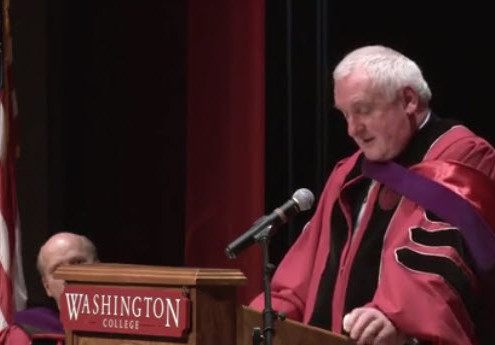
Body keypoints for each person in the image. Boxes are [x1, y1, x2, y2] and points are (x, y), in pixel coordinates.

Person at [250, 45, 495, 345]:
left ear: (408, 100)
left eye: (363, 110)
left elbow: (443, 257)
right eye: (345, 115)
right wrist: (264, 316)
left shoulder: (461, 157)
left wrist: (395, 316)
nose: (353, 129)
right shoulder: (349, 173)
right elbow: (303, 271)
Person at [0, 232, 98, 345]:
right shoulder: (26, 335)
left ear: (99, 267)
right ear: (47, 287)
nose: (68, 275)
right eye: (57, 269)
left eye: (77, 262)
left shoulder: (121, 323)